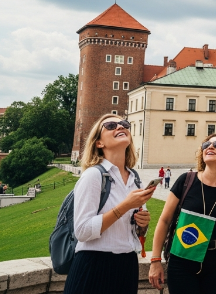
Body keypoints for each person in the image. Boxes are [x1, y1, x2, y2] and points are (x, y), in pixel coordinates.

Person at [64, 114, 155, 294]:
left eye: (124, 124)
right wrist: (125, 206)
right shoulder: (93, 175)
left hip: (127, 265)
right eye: (111, 125)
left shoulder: (135, 179)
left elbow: (132, 231)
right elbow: (81, 231)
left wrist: (142, 224)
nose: (120, 127)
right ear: (99, 143)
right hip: (94, 266)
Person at [149, 133, 216, 294]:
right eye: (206, 145)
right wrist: (155, 260)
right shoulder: (186, 180)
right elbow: (164, 221)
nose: (210, 146)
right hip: (181, 260)